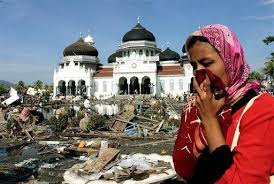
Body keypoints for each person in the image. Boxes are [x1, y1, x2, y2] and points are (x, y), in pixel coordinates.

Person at [173, 24, 274, 184]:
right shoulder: (203, 105)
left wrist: (210, 120)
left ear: (231, 61)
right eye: (194, 65)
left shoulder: (262, 108)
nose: (198, 72)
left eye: (206, 63)